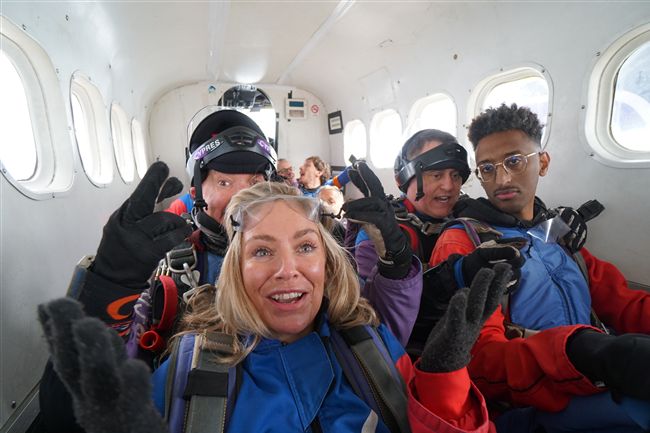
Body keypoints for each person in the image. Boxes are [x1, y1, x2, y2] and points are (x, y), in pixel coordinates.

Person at [38, 181, 518, 433]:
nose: (288, 269)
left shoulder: (371, 344)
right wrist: (105, 289)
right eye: (263, 250)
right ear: (234, 270)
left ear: (327, 261)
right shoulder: (190, 369)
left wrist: (445, 384)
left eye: (305, 246)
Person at [35, 109, 279, 433]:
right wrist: (110, 284)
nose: (242, 197)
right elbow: (69, 412)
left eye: (255, 182)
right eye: (224, 181)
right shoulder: (168, 274)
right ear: (196, 194)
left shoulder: (310, 265)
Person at [429, 103, 650, 432]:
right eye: (487, 168)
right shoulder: (465, 244)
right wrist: (583, 353)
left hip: (592, 376)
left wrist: (610, 355)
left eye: (514, 161)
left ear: (542, 163)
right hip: (530, 404)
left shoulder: (556, 233)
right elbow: (480, 358)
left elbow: (621, 301)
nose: (501, 178)